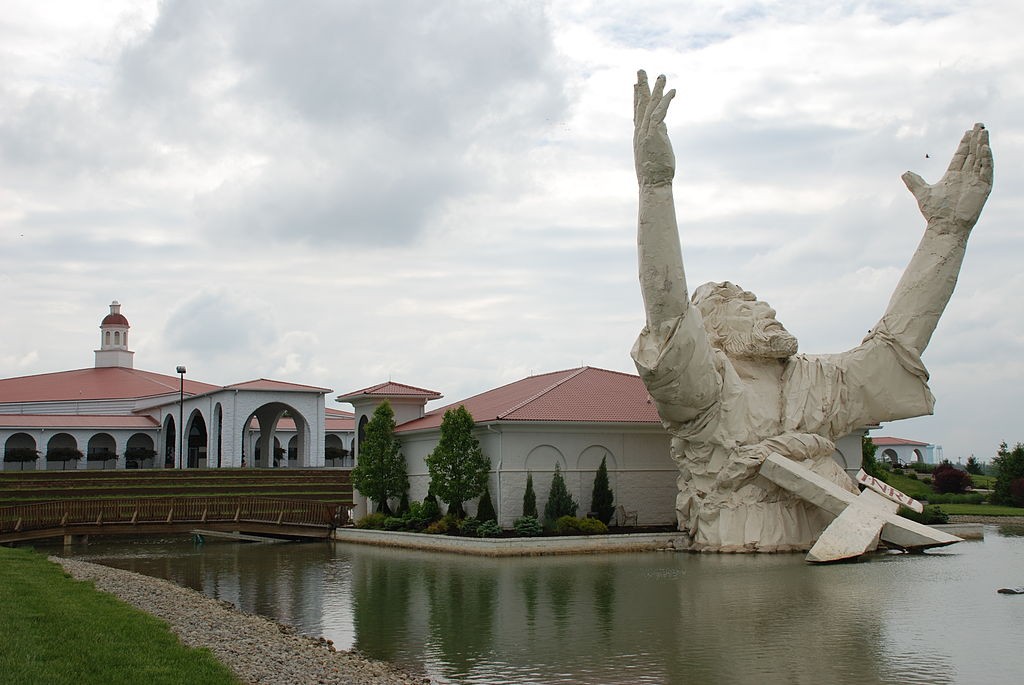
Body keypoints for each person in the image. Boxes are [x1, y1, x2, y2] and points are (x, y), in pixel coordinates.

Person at [631, 70, 993, 551]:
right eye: (740, 301)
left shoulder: (816, 381)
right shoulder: (709, 393)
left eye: (756, 297)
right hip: (740, 582)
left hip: (836, 569)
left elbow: (897, 344)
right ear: (710, 331)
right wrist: (656, 186)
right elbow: (668, 311)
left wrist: (947, 233)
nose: (762, 305)